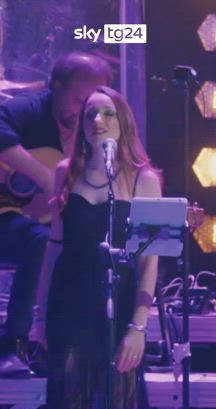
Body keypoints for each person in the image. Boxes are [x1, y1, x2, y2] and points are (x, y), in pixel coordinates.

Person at [30, 86, 160, 409]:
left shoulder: (143, 178)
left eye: (106, 114)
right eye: (89, 115)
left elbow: (149, 260)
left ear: (123, 121)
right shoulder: (65, 171)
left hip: (119, 303)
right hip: (70, 304)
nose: (97, 122)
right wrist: (38, 315)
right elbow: (55, 246)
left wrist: (138, 326)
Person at [0, 51, 111, 377]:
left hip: (35, 225)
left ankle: (69, 346)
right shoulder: (29, 110)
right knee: (43, 242)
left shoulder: (93, 130)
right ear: (56, 86)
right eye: (77, 100)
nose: (83, 109)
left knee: (84, 246)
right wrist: (46, 178)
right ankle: (12, 345)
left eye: (90, 102)